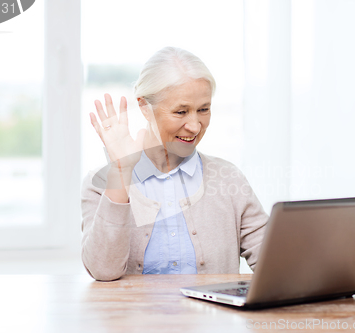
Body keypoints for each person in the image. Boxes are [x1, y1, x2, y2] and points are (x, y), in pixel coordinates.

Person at [81, 46, 268, 281]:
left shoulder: (228, 178)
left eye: (203, 110)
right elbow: (103, 271)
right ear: (144, 107)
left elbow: (277, 262)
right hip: (133, 318)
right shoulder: (99, 183)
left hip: (212, 318)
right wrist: (121, 172)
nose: (195, 125)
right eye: (181, 112)